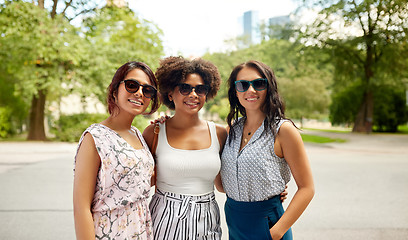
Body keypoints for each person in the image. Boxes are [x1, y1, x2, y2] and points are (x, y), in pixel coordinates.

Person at [220, 60, 315, 240]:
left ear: (269, 87)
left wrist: (277, 232)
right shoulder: (230, 131)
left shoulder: (283, 130)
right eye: (242, 85)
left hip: (269, 226)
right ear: (235, 91)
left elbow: (307, 188)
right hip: (235, 223)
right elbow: (222, 185)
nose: (251, 90)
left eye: (258, 83)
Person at [73, 61, 160, 239]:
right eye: (131, 85)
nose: (139, 93)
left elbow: (137, 184)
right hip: (109, 233)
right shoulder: (95, 137)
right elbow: (81, 207)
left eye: (147, 90)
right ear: (114, 90)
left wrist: (165, 131)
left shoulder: (137, 134)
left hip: (141, 230)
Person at [143, 56, 227, 240]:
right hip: (164, 219)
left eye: (201, 89)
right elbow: (140, 181)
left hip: (207, 219)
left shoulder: (220, 134)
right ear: (170, 93)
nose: (193, 94)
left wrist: (268, 191)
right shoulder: (154, 131)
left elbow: (223, 185)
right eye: (185, 88)